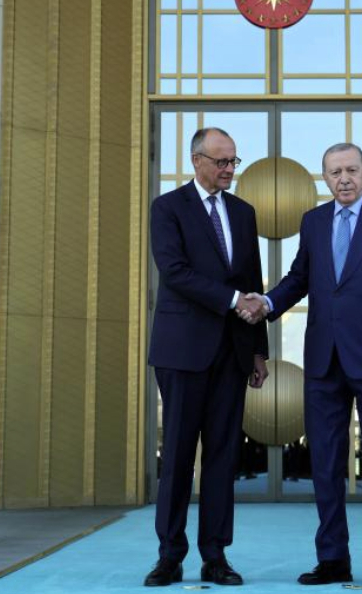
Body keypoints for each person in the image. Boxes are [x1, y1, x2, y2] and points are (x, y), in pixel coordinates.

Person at [242, 142, 362, 590]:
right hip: (323, 357)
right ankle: (333, 559)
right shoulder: (313, 221)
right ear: (325, 178)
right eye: (335, 172)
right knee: (323, 462)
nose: (344, 178)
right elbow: (300, 277)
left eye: (351, 170)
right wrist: (266, 302)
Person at [144, 128, 270, 587]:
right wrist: (235, 299)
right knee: (177, 455)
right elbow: (174, 273)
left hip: (233, 353)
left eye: (234, 162)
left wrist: (259, 349)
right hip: (181, 350)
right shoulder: (168, 208)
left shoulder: (243, 212)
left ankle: (215, 556)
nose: (228, 170)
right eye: (221, 162)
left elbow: (253, 277)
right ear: (196, 160)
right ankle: (169, 555)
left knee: (222, 456)